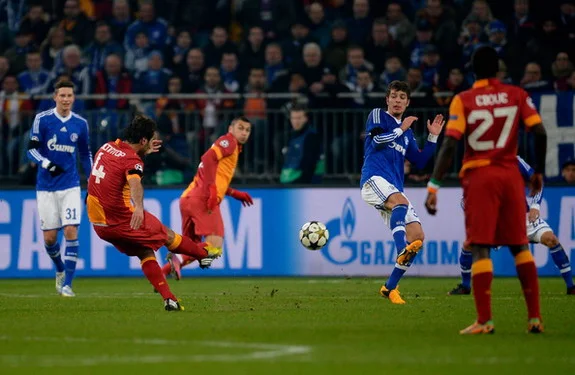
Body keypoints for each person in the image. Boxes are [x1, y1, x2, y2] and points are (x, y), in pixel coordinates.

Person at [424, 46, 548, 334]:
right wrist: (538, 171)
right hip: (510, 176)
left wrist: (434, 185)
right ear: (498, 70)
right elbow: (540, 131)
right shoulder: (516, 95)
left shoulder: (463, 99)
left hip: (480, 177)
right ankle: (535, 318)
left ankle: (485, 320)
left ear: (472, 70)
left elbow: (451, 143)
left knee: (480, 247)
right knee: (520, 245)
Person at [86, 114, 222, 311]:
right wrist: (139, 207)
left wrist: (143, 153)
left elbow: (118, 167)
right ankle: (203, 254)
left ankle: (170, 299)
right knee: (167, 235)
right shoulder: (133, 160)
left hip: (99, 224)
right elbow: (134, 180)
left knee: (145, 251)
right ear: (143, 140)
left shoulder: (106, 147)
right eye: (149, 140)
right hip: (120, 218)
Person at [360, 80, 444, 304]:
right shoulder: (379, 115)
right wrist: (401, 128)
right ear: (387, 99)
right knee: (401, 203)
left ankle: (389, 287)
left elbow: (420, 160)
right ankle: (401, 248)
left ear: (408, 102)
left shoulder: (406, 135)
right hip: (373, 179)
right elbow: (377, 141)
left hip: (393, 188)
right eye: (394, 96)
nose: (397, 100)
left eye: (402, 97)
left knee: (418, 236)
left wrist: (433, 136)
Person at [449, 155, 575, 296]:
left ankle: (571, 286)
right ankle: (465, 286)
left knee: (551, 239)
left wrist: (535, 206)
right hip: (495, 221)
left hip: (522, 217)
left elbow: (537, 181)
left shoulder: (513, 159)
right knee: (468, 246)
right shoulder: (476, 164)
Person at [161, 117, 254, 279]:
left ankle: (160, 274)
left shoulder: (231, 148)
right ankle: (177, 259)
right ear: (230, 129)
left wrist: (233, 193)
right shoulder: (228, 142)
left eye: (247, 130)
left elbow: (212, 174)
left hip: (188, 198)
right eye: (240, 128)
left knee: (194, 249)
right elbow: (208, 158)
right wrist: (211, 189)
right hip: (203, 199)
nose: (244, 133)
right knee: (215, 247)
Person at [26, 80, 93, 297]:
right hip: (45, 186)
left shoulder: (80, 124)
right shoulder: (42, 120)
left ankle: (68, 285)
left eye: (69, 96)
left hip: (71, 185)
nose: (66, 99)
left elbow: (85, 154)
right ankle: (60, 269)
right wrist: (47, 164)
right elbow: (31, 150)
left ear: (74, 98)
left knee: (71, 231)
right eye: (62, 95)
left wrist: (91, 181)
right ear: (55, 97)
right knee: (49, 239)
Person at [280, 104, 324, 184]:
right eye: (293, 118)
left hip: (304, 183)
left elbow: (310, 164)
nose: (296, 121)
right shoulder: (288, 136)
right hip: (286, 180)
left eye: (299, 118)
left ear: (305, 119)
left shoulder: (312, 137)